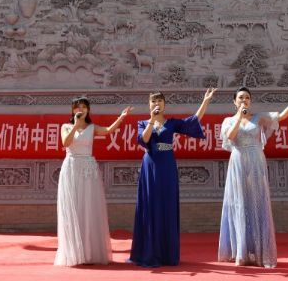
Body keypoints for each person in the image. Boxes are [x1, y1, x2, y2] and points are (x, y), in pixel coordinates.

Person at [218, 85, 288, 268]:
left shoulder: (259, 118)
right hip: (238, 162)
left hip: (256, 161)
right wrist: (239, 117)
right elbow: (230, 136)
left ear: (250, 101)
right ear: (234, 101)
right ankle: (241, 253)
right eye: (241, 97)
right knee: (239, 203)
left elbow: (281, 116)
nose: (244, 100)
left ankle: (260, 251)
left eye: (247, 98)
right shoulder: (228, 120)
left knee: (257, 202)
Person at [129, 88, 217, 267]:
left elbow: (193, 121)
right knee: (151, 204)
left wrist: (205, 101)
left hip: (167, 165)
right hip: (150, 165)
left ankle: (167, 254)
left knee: (167, 204)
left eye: (159, 101)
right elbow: (144, 139)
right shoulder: (143, 123)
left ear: (164, 104)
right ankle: (149, 252)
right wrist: (152, 121)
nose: (157, 104)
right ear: (149, 105)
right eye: (153, 101)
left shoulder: (172, 123)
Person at [54, 96, 133, 266]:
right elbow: (65, 142)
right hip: (71, 167)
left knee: (88, 208)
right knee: (73, 208)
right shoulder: (66, 127)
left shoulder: (92, 127)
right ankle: (74, 253)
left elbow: (108, 131)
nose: (80, 110)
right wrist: (76, 125)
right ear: (72, 110)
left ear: (88, 110)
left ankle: (89, 252)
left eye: (83, 107)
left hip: (88, 169)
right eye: (77, 107)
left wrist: (121, 117)